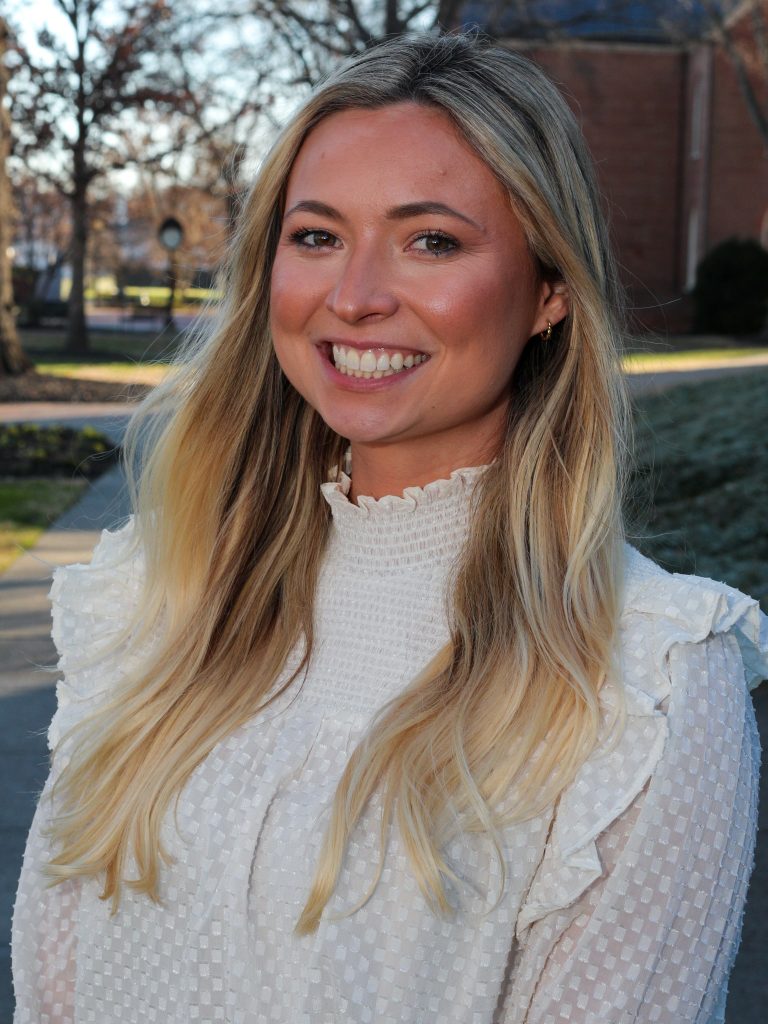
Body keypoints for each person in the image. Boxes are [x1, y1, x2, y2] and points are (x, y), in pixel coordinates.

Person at [12, 32, 767, 1024]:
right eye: (317, 235)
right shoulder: (154, 599)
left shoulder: (648, 682)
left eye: (432, 241)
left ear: (548, 292)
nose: (355, 296)